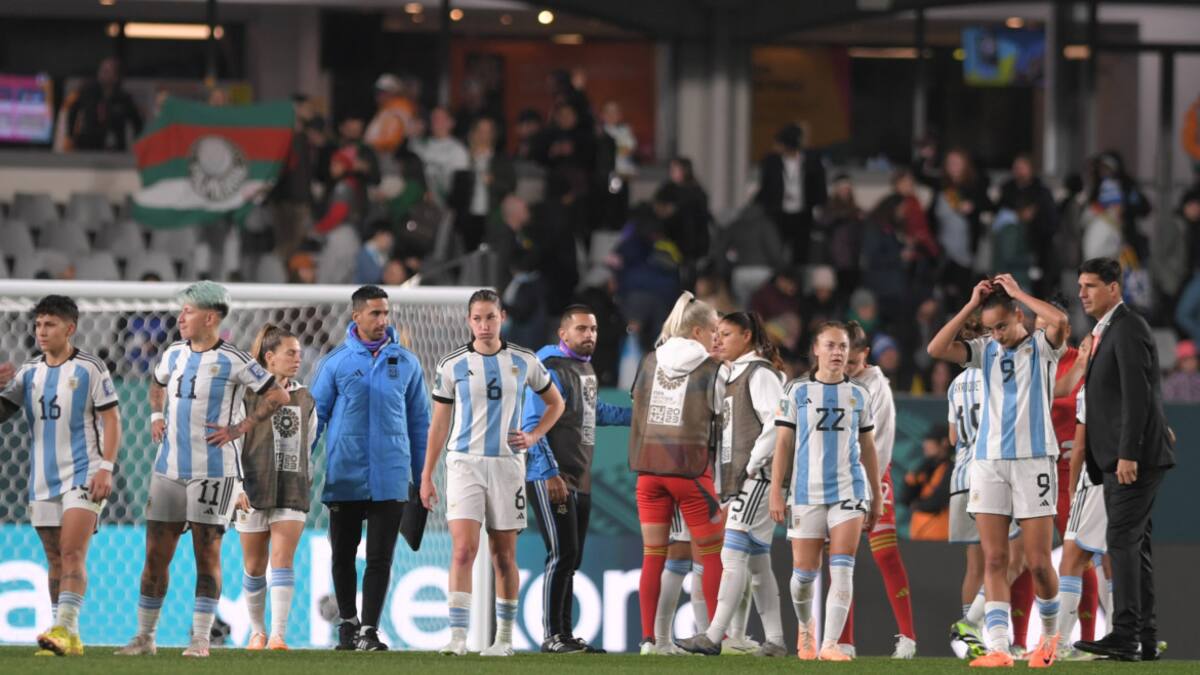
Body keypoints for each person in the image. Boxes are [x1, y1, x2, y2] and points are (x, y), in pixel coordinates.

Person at [117, 282, 288, 658]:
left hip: (214, 473)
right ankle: (145, 637)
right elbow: (157, 382)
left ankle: (199, 639)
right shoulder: (173, 353)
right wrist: (157, 415)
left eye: (188, 311)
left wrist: (240, 428)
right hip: (168, 470)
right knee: (154, 556)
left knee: (206, 555)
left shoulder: (234, 359)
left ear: (209, 317)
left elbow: (278, 395)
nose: (180, 317)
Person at [926, 274, 1069, 668]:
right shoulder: (984, 350)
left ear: (1018, 315)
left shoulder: (1042, 347)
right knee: (994, 560)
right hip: (987, 464)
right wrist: (972, 304)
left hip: (1034, 461)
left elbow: (1059, 322)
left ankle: (1051, 639)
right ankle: (1000, 648)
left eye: (1002, 326)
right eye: (990, 329)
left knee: (1039, 562)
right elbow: (936, 347)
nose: (997, 335)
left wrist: (1019, 291)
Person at [421, 289, 565, 657]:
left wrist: (534, 435)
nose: (484, 325)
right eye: (477, 318)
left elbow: (555, 403)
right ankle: (457, 637)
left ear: (502, 317)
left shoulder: (524, 361)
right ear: (469, 322)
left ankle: (503, 639)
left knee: (503, 556)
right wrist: (426, 475)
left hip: (507, 466)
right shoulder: (451, 365)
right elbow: (438, 425)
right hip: (464, 463)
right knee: (463, 550)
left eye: (490, 317)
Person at [309, 285, 431, 651]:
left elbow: (420, 425)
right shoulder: (335, 363)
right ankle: (347, 622)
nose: (382, 320)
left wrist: (423, 476)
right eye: (375, 313)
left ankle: (369, 630)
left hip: (391, 476)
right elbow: (315, 419)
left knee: (381, 557)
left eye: (385, 313)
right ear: (356, 316)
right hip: (345, 475)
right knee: (343, 555)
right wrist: (300, 466)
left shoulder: (407, 363)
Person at [0, 296, 120, 656]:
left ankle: (65, 628)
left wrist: (106, 467)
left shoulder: (90, 368)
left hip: (84, 472)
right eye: (37, 324)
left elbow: (112, 420)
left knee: (71, 551)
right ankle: (64, 633)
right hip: (42, 477)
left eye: (49, 324)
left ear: (69, 329)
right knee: (54, 556)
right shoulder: (29, 372)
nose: (41, 331)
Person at [1074, 257, 1175, 662]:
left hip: (1130, 459)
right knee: (1136, 545)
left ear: (1114, 288)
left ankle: (1125, 634)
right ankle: (1144, 637)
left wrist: (1128, 453)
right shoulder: (1109, 330)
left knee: (1120, 541)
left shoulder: (1128, 327)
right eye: (1081, 285)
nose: (1082, 293)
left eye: (1091, 286)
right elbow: (1145, 390)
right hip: (1122, 457)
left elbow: (1137, 392)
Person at [768, 321, 884, 662]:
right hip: (806, 491)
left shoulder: (859, 394)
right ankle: (806, 626)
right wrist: (777, 490)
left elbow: (868, 446)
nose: (837, 352)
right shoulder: (796, 392)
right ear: (816, 350)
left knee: (843, 567)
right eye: (830, 346)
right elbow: (784, 443)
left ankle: (831, 643)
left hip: (849, 489)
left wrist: (875, 494)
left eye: (843, 347)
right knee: (803, 577)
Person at [676, 312, 788, 657]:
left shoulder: (760, 374)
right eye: (717, 333)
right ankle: (776, 641)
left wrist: (754, 465)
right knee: (757, 562)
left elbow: (778, 423)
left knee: (732, 553)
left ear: (747, 336)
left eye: (726, 334)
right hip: (741, 478)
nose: (718, 340)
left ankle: (713, 635)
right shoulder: (732, 375)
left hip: (758, 477)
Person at [524, 305, 633, 653]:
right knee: (561, 554)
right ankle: (551, 636)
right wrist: (550, 472)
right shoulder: (549, 368)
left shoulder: (583, 368)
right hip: (552, 476)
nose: (590, 335)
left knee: (572, 559)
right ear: (563, 333)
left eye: (594, 329)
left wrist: (638, 416)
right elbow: (531, 426)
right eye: (582, 329)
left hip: (580, 478)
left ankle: (566, 636)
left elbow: (594, 411)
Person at [630, 292, 726, 655]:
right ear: (697, 331)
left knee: (654, 554)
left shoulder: (649, 360)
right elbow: (719, 414)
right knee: (713, 553)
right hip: (689, 471)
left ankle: (648, 640)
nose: (717, 337)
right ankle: (715, 637)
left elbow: (635, 402)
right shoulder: (711, 369)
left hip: (648, 469)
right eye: (714, 330)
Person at [235, 325, 317, 651]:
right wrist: (237, 484)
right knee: (254, 566)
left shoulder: (305, 397)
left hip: (291, 486)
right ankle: (257, 631)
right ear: (270, 358)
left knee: (282, 560)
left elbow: (308, 445)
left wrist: (303, 477)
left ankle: (278, 636)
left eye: (298, 352)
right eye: (290, 353)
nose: (298, 358)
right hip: (252, 486)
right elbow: (235, 442)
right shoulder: (244, 395)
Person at [838, 322, 917, 659]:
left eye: (853, 364)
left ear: (865, 356)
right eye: (843, 362)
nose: (847, 370)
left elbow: (881, 444)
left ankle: (908, 638)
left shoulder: (877, 386)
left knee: (885, 554)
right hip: (835, 479)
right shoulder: (829, 380)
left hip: (872, 477)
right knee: (841, 561)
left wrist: (873, 491)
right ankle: (842, 641)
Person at [1056, 384, 1115, 661]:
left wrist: (1071, 488)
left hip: (1094, 480)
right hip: (1127, 481)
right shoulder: (1138, 381)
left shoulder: (1090, 388)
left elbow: (1079, 446)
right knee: (1114, 557)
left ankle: (1060, 641)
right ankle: (1118, 637)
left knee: (1072, 555)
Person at [755, 123, 827, 265]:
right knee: (775, 250)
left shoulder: (811, 161)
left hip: (803, 214)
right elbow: (766, 188)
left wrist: (819, 207)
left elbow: (819, 186)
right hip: (778, 214)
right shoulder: (771, 162)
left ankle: (797, 281)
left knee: (801, 253)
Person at [67, 57, 143, 151]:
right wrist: (71, 135)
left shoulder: (124, 99)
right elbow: (73, 111)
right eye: (101, 70)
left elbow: (137, 122)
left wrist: (138, 142)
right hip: (88, 145)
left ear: (116, 76)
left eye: (107, 71)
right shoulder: (88, 92)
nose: (102, 74)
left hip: (115, 147)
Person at [900, 425, 953, 541]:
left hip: (942, 537)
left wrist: (916, 505)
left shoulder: (952, 468)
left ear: (944, 442)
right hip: (918, 535)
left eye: (930, 441)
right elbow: (905, 498)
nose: (925, 445)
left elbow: (938, 501)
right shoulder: (925, 467)